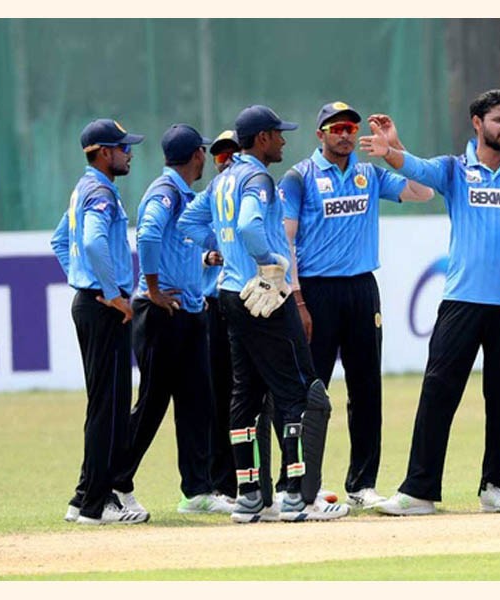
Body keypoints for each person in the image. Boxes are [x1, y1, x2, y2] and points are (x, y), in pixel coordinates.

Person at [360, 89, 500, 516]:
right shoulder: (455, 170)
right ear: (477, 124)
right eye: (498, 120)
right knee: (438, 392)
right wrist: (392, 152)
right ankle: (419, 491)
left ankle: (494, 486)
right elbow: (417, 170)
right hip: (461, 301)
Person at [178, 105, 349, 522]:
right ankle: (295, 497)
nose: (283, 141)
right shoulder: (257, 178)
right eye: (277, 134)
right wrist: (269, 263)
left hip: (232, 296)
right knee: (300, 393)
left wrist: (222, 250)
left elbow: (188, 221)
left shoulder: (224, 179)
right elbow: (253, 226)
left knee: (246, 395)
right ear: (261, 139)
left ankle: (250, 495)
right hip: (266, 293)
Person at [276, 101, 433, 510]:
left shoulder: (369, 174)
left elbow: (423, 191)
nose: (345, 134)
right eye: (336, 128)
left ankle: (361, 485)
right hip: (316, 291)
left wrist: (396, 148)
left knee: (367, 390)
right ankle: (301, 486)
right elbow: (286, 240)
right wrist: (298, 299)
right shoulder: (299, 177)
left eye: (350, 127)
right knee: (312, 392)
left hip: (362, 289)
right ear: (320, 134)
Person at [110, 124, 234, 516]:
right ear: (197, 154)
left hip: (191, 311)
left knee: (197, 402)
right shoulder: (165, 193)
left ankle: (197, 490)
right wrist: (153, 289)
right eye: (204, 153)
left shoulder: (185, 195)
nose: (205, 159)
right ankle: (114, 483)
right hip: (161, 312)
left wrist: (204, 260)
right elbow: (146, 237)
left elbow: (179, 246)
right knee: (151, 404)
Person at [50, 118, 148, 525]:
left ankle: (83, 498)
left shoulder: (83, 188)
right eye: (123, 148)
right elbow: (89, 240)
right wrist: (108, 292)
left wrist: (82, 282)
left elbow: (59, 240)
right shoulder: (100, 192)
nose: (128, 153)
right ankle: (97, 504)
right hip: (103, 307)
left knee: (102, 405)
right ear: (104, 153)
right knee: (108, 408)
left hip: (89, 302)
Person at [201, 129, 242, 501]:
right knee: (219, 395)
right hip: (216, 304)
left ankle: (249, 479)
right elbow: (182, 230)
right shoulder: (212, 194)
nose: (226, 160)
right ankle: (222, 482)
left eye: (231, 152)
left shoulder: (255, 188)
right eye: (218, 156)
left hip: (247, 301)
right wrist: (204, 256)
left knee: (249, 396)